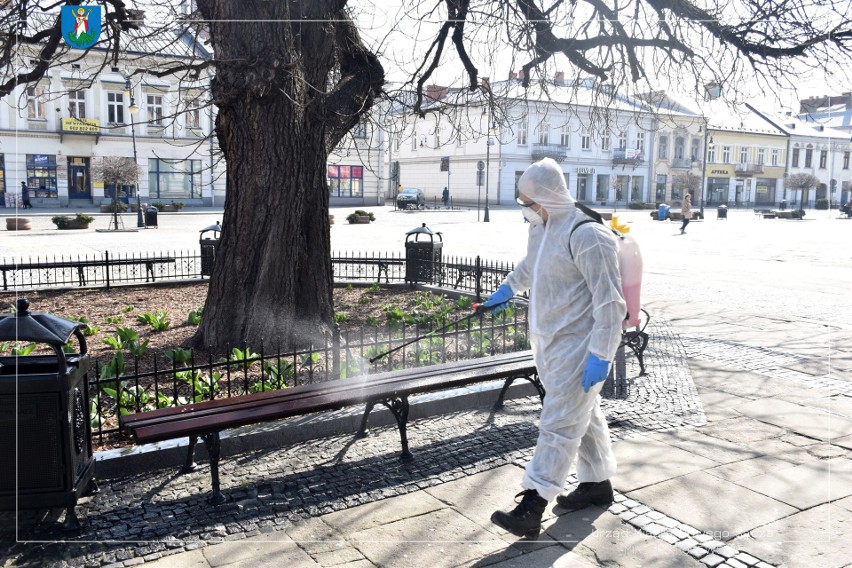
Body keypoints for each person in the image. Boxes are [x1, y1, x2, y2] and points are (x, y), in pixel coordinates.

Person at [485, 157, 626, 539]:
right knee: (584, 414)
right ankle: (596, 483)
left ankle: (534, 501)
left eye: (529, 202)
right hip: (549, 343)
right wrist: (507, 289)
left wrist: (601, 354)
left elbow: (611, 303)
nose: (526, 210)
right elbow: (533, 266)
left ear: (548, 195)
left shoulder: (587, 235)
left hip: (581, 348)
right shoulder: (544, 227)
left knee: (558, 424)